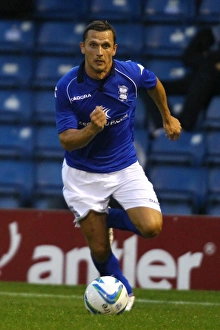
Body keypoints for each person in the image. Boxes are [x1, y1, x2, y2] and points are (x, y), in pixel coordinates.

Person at [55, 20, 181, 311]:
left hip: (124, 167)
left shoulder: (130, 72)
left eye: (105, 45)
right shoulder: (67, 88)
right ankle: (124, 290)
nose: (99, 51)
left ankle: (102, 217)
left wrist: (167, 116)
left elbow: (154, 84)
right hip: (82, 175)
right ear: (83, 47)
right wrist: (91, 130)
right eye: (93, 45)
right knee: (99, 249)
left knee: (152, 227)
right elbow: (66, 140)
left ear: (114, 49)